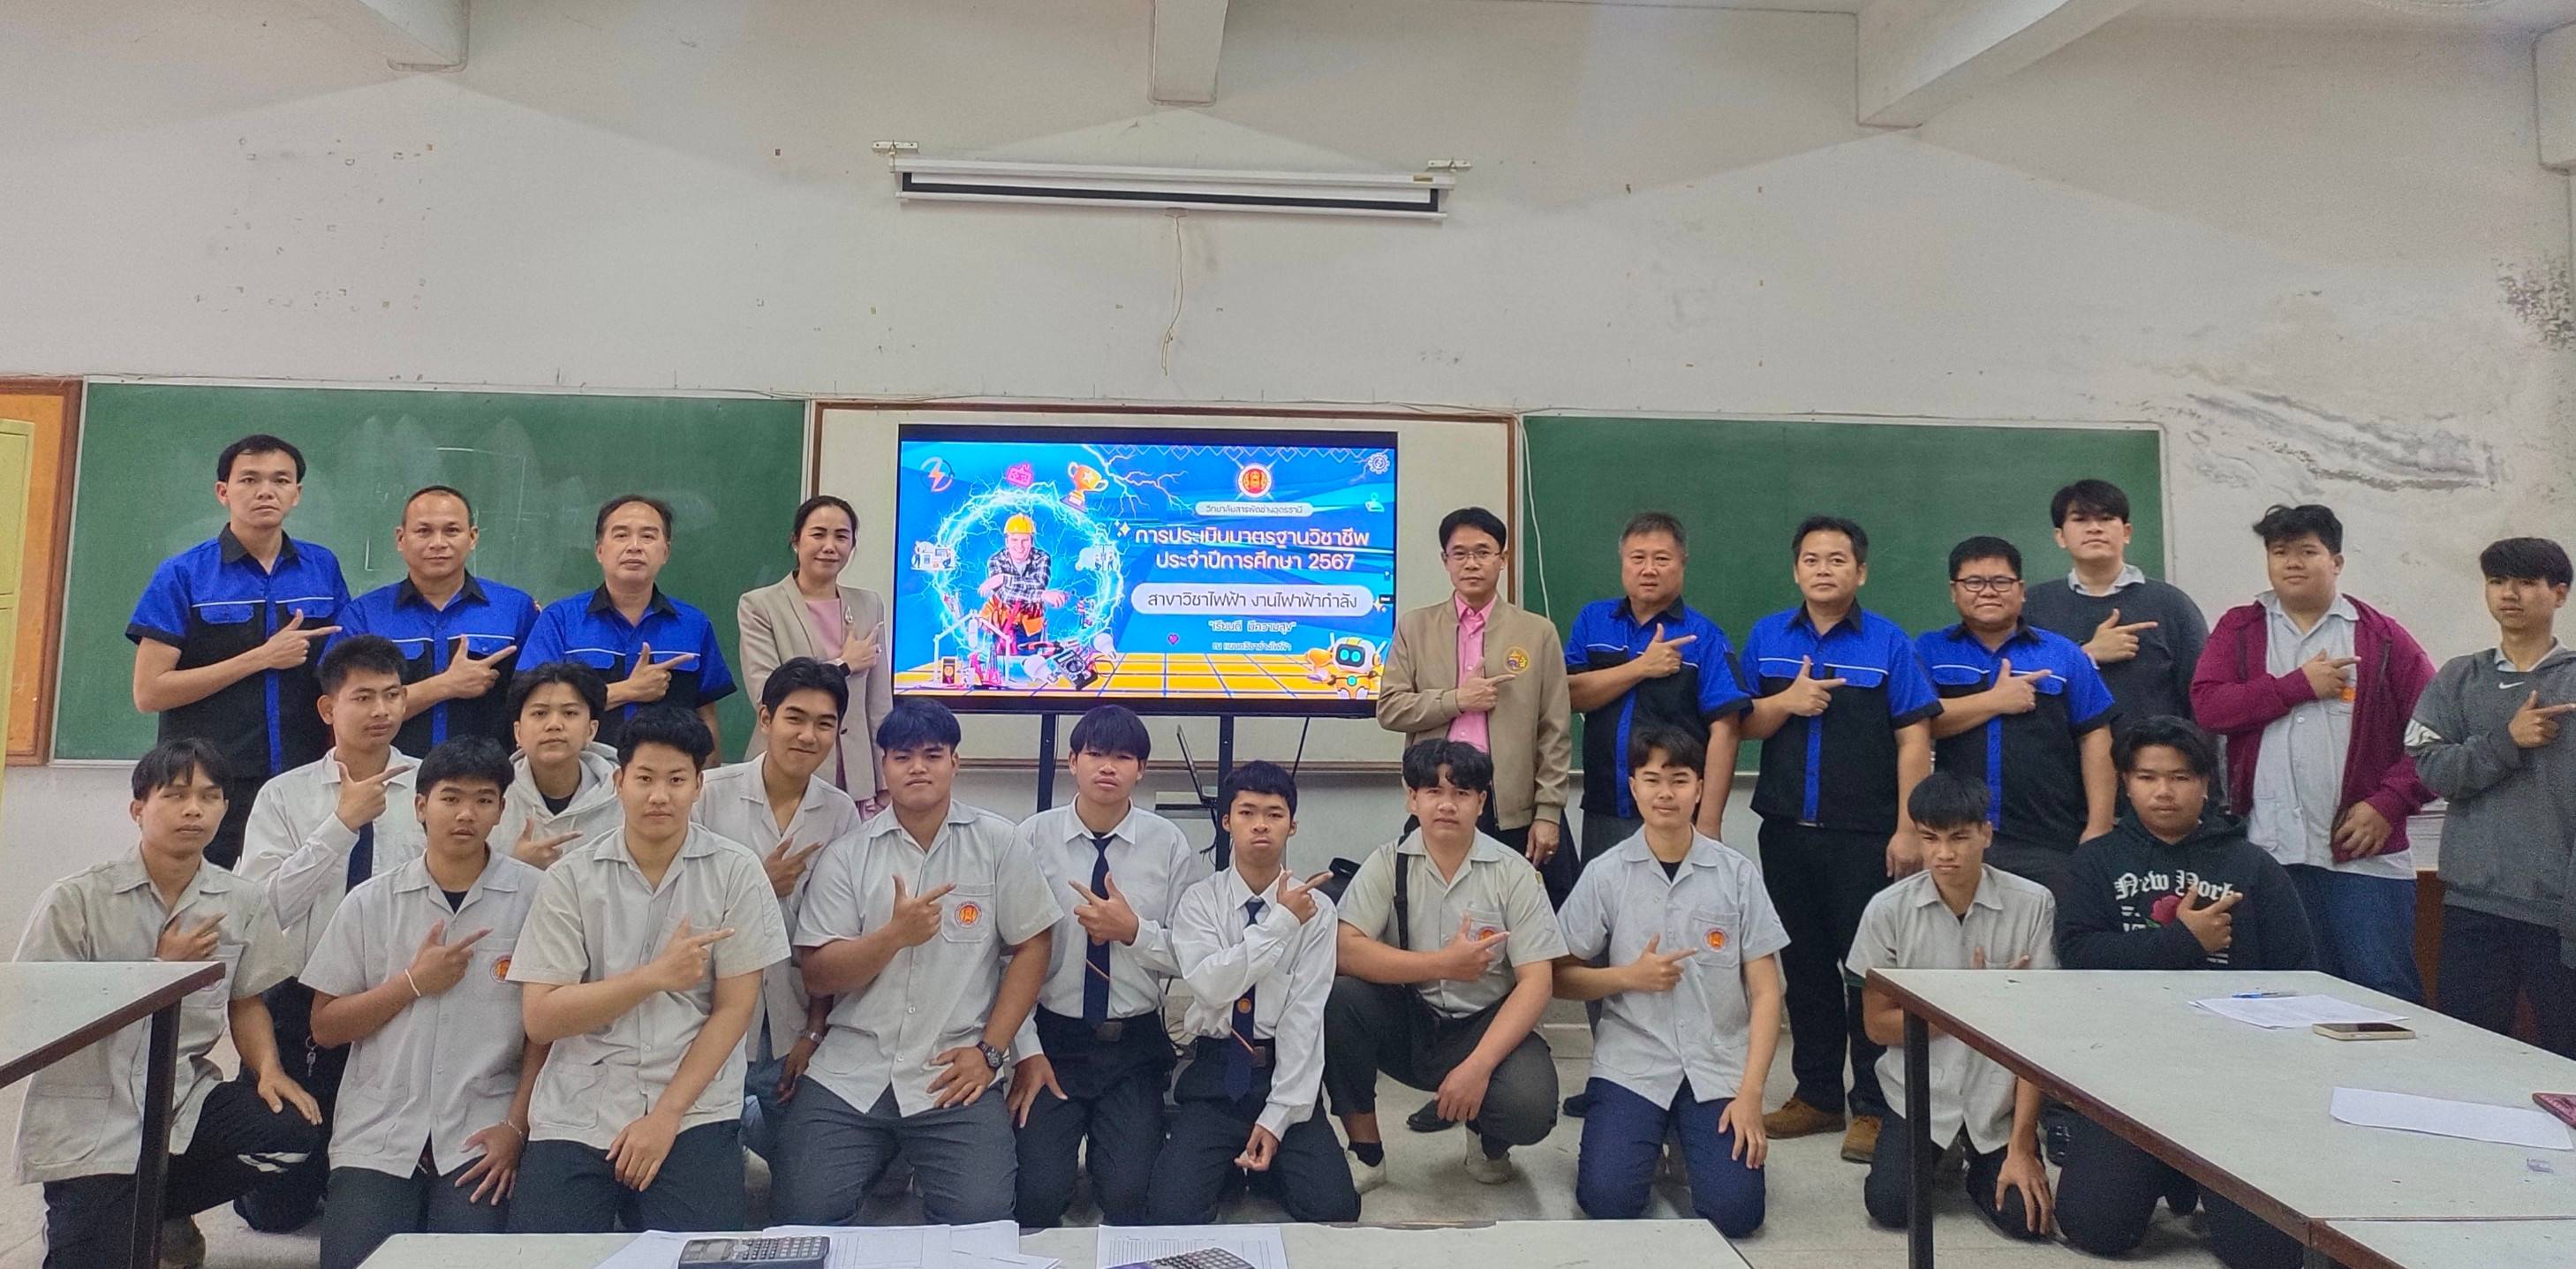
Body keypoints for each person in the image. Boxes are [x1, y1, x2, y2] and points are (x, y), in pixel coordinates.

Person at [15, 740, 321, 1269]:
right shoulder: (76, 899)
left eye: (209, 796)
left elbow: (246, 999)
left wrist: (269, 1069)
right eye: (176, 795)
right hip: (92, 1109)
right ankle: (110, 1213)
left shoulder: (241, 900)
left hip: (181, 1096)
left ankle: (156, 1208)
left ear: (225, 808)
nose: (194, 810)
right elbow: (36, 1011)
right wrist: (157, 972)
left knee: (292, 1133)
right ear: (138, 809)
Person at [504, 706, 790, 1234]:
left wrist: (666, 1117)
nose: (660, 795)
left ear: (698, 786)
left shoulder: (737, 871)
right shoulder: (571, 878)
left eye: (676, 780)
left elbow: (734, 1011)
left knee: (700, 1256)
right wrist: (653, 977)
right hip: (579, 1106)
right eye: (645, 779)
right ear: (619, 782)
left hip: (691, 1105)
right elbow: (541, 1018)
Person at [775, 699, 1057, 1226]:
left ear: (956, 762)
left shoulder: (999, 843)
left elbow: (1033, 945)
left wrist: (991, 1051)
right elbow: (818, 972)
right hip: (852, 1070)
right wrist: (892, 938)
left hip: (952, 1071)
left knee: (982, 1219)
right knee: (802, 1212)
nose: (918, 768)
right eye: (903, 757)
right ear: (884, 766)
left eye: (933, 755)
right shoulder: (849, 853)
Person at [2054, 715, 2312, 1268]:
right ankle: (2165, 1171)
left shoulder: (2253, 867)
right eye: (2147, 777)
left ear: (2205, 784)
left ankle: (2201, 1180)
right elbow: (2078, 958)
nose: (2163, 792)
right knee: (2094, 1228)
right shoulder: (2095, 863)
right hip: (2126, 1076)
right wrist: (2183, 943)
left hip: (2233, 1083)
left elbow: (2300, 978)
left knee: (2266, 1256)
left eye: (2180, 777)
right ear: (2126, 783)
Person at [1737, 515, 1942, 1161]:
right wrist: (1785, 701)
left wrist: (1907, 827)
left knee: (1865, 972)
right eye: (1811, 559)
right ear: (1795, 569)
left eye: (1836, 559)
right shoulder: (1767, 636)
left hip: (1866, 837)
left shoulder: (1889, 642)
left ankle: (1874, 1105)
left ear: (1861, 571)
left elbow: (1914, 737)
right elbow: (1741, 723)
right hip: (1785, 832)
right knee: (1803, 968)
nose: (1823, 569)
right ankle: (1817, 1094)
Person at [303, 737, 546, 1269]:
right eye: (450, 798)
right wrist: (412, 983)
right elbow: (325, 1026)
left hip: (483, 1130)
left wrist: (515, 1128)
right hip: (380, 1128)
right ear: (420, 806)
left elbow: (545, 1032)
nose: (466, 814)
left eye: (483, 800)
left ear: (501, 810)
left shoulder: (537, 897)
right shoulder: (370, 901)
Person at [2191, 504, 2435, 1003]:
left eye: (2308, 551)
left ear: (2337, 562)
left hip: (2364, 857)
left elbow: (2435, 736)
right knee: (2289, 994)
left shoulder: (2382, 638)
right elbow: (2209, 707)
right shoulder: (2240, 629)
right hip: (2269, 851)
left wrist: (2389, 803)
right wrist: (2297, 685)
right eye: (2280, 552)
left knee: (2382, 991)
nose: (2292, 563)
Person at [1552, 727, 1785, 1237]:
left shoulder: (1736, 873)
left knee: (1737, 1214)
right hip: (1633, 1062)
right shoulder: (1606, 873)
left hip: (1716, 1064)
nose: (1665, 793)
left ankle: (1685, 1139)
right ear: (1633, 786)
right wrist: (1627, 977)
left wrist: (1751, 1094)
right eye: (1652, 779)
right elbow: (1557, 978)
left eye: (1679, 780)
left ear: (1700, 787)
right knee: (1607, 1201)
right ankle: (1652, 1137)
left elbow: (1768, 992)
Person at [234, 634, 425, 1233]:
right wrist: (340, 826)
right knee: (275, 1210)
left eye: (392, 695)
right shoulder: (284, 796)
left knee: (383, 1188)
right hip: (300, 1002)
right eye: (363, 697)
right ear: (327, 708)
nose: (381, 710)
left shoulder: (433, 789)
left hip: (401, 999)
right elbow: (264, 911)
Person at [1325, 739, 1568, 1191]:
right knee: (1339, 1000)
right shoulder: (1388, 862)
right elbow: (1345, 949)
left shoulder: (1513, 872)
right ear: (1411, 798)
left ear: (1482, 801)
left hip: (1484, 1023)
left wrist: (1478, 1067)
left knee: (1529, 1107)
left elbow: (1537, 982)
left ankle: (1488, 1139)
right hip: (1411, 1019)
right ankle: (1366, 1152)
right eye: (1433, 792)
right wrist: (1441, 964)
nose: (1447, 805)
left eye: (1461, 793)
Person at [1008, 705, 1211, 1228]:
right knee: (1033, 1201)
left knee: (1129, 1200)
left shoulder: (1168, 844)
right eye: (1095, 754)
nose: (1107, 767)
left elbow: (1195, 956)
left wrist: (1134, 931)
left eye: (1123, 757)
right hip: (1052, 1041)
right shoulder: (1031, 838)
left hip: (1133, 1044)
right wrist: (1025, 1050)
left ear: (1141, 769)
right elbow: (1006, 954)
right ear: (1071, 761)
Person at [1145, 760, 1362, 1225]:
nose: (1260, 824)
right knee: (1170, 1212)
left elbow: (1305, 1016)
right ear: (1227, 821)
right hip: (1215, 1072)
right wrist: (1281, 923)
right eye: (1247, 813)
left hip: (1281, 1071)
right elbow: (1210, 985)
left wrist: (1278, 1117)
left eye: (1274, 814)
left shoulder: (1318, 911)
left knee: (1335, 1209)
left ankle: (1268, 1166)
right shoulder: (1200, 900)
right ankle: (1225, 1165)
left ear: (1292, 825)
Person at [1848, 771, 2056, 1243]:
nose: (1944, 853)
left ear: (1986, 833)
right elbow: (1877, 1026)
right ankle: (1939, 1153)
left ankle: (1978, 1165)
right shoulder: (1887, 910)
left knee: (2026, 1221)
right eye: (1930, 838)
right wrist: (1965, 1008)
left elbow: (2037, 1036)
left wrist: (2024, 1145)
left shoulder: (2033, 904)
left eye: (1959, 837)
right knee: (1889, 1206)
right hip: (1920, 1093)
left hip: (1998, 1101)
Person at [128, 434, 352, 867]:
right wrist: (261, 658)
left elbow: (342, 667)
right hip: (209, 784)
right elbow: (150, 691)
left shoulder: (322, 567)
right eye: (249, 479)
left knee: (302, 895)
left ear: (296, 494)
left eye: (280, 480)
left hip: (305, 774)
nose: (265, 491)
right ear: (223, 491)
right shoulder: (183, 574)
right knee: (208, 897)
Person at [688, 658, 865, 1160]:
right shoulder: (708, 794)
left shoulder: (840, 813)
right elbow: (676, 908)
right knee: (709, 1167)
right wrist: (758, 886)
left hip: (792, 1020)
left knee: (804, 1173)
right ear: (765, 719)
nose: (808, 735)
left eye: (824, 723)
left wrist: (814, 1029)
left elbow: (838, 936)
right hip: (706, 1016)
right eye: (795, 718)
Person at [2407, 537, 2576, 1054]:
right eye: (2498, 581)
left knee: (2564, 1060)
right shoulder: (2459, 678)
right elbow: (2433, 771)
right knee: (2467, 1056)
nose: (2509, 594)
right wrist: (2507, 741)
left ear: (2559, 594)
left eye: (2526, 582)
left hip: (2559, 912)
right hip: (2472, 903)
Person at [1377, 506, 1574, 880]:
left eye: (1483, 552)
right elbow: (1390, 708)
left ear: (1503, 559)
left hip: (1509, 804)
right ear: (1445, 561)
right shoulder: (1415, 627)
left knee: (1516, 906)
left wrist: (1548, 812)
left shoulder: (1537, 632)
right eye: (1460, 554)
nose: (1471, 563)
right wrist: (1456, 700)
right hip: (1437, 792)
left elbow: (1555, 731)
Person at [1918, 535, 2116, 899]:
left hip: (2048, 838)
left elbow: (2095, 736)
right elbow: (1918, 726)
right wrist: (1995, 701)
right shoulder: (1929, 650)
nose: (1988, 591)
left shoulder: (2062, 654)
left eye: (2001, 581)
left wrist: (2098, 826)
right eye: (1973, 582)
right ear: (1953, 591)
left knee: (2051, 933)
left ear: (2021, 590)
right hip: (1954, 838)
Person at [1564, 511, 1750, 857]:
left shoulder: (1704, 636)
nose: (1648, 569)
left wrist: (1709, 823)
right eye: (1638, 558)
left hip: (1675, 810)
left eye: (1661, 559)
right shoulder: (1594, 620)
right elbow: (1569, 695)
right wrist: (1641, 668)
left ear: (1682, 563)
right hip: (1607, 805)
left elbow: (1726, 729)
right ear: (1623, 561)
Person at [519, 494, 737, 753]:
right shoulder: (561, 619)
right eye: (621, 535)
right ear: (600, 550)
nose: (634, 546)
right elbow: (534, 703)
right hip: (582, 773)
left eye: (648, 536)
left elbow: (706, 715)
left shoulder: (693, 624)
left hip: (666, 775)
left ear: (665, 552)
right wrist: (629, 690)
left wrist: (707, 775)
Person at [338, 485, 540, 755]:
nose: (438, 543)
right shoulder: (364, 615)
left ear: (472, 537)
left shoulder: (515, 609)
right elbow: (348, 713)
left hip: (488, 774)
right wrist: (445, 685)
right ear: (400, 539)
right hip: (392, 773)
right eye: (424, 531)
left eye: (452, 531)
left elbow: (539, 701)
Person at [737, 495, 894, 810]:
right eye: (818, 534)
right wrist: (843, 666)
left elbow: (878, 704)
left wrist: (884, 781)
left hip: (854, 777)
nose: (830, 546)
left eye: (841, 537)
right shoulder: (760, 606)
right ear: (796, 541)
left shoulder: (868, 604)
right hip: (785, 770)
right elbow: (766, 692)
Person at [2023, 479, 2210, 729]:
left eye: (2106, 518)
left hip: (2152, 752)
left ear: (2127, 532)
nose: (2094, 528)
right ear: (2060, 537)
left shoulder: (2172, 604)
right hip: (2062, 750)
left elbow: (2203, 699)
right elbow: (2019, 686)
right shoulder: (2034, 606)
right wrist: (2087, 655)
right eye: (2080, 520)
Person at [491, 661, 621, 865]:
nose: (554, 725)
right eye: (540, 713)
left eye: (569, 713)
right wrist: (515, 866)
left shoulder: (624, 796)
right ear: (518, 732)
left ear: (591, 730)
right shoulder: (492, 795)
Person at [973, 512, 1066, 677]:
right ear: (1007, 541)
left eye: (1025, 540)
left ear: (1032, 541)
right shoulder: (995, 560)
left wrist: (1003, 578)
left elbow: (1038, 584)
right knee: (1001, 670)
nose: (1020, 546)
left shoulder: (1042, 558)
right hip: (1003, 625)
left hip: (1031, 625)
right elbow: (1006, 595)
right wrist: (1042, 595)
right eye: (1014, 540)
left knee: (1030, 670)